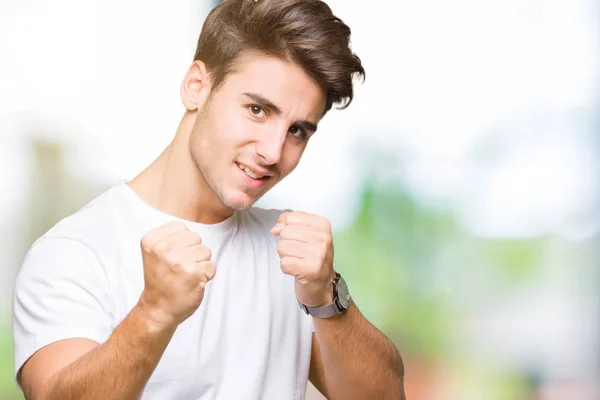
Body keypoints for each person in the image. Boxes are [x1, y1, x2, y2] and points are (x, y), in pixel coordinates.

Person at [12, 0, 405, 399]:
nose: (273, 152)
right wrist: (155, 313)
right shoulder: (75, 252)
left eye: (298, 131)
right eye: (257, 110)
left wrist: (326, 296)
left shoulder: (286, 253)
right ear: (196, 86)